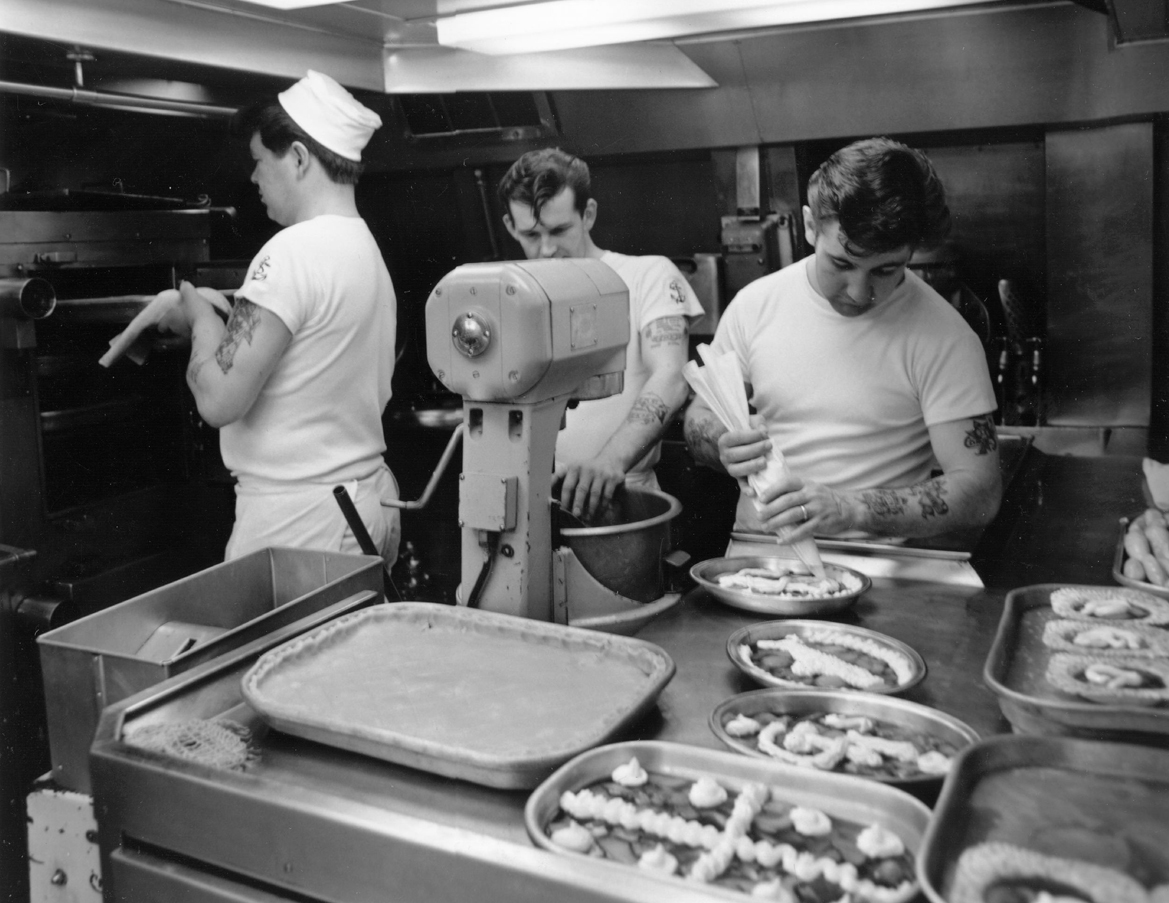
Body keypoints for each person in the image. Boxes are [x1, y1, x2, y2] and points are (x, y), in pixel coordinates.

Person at [684, 137, 1002, 542]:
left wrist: (850, 509)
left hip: (882, 572)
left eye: (886, 270)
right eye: (842, 263)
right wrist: (718, 440)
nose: (858, 292)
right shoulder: (754, 307)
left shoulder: (945, 337)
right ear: (811, 226)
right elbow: (699, 417)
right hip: (757, 561)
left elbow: (979, 491)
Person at [157, 70, 401, 564]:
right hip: (364, 501)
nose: (253, 178)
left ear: (297, 157)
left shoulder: (291, 251)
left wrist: (201, 316)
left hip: (301, 521)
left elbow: (219, 400)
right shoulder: (362, 246)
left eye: (259, 161)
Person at [498, 148, 704, 520]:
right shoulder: (510, 299)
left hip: (624, 496)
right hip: (533, 504)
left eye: (560, 230)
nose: (546, 249)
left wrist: (609, 460)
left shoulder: (648, 276)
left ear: (588, 214)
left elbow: (672, 376)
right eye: (531, 234)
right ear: (511, 227)